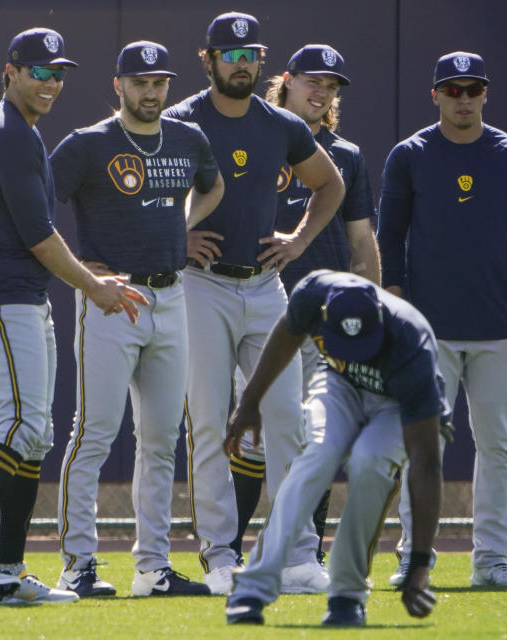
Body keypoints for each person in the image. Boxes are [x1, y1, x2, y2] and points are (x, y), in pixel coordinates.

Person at [0, 28, 146, 605]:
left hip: (20, 296)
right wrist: (93, 285)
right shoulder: (7, 132)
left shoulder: (21, 130)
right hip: (1, 295)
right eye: (40, 71)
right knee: (23, 425)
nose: (52, 81)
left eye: (59, 73)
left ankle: (7, 571)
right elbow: (37, 234)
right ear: (10, 72)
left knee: (36, 435)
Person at [164, 11, 345, 595]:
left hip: (266, 288)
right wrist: (175, 239)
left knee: (288, 421)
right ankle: (220, 556)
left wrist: (298, 242)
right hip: (203, 285)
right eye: (230, 53)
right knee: (212, 420)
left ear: (261, 61)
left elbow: (331, 185)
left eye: (250, 54)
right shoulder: (181, 119)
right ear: (208, 59)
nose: (241, 63)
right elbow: (146, 196)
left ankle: (297, 553)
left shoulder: (281, 123)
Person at [51, 41, 223, 598]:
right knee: (94, 434)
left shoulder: (187, 137)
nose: (150, 92)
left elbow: (213, 184)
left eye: (159, 82)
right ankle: (78, 564)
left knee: (161, 440)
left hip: (170, 295)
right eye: (140, 82)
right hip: (111, 297)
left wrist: (181, 228)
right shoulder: (87, 143)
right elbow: (34, 207)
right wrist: (79, 271)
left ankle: (153, 567)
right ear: (118, 84)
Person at [379, 51, 507, 588]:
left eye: (471, 88)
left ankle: (492, 562)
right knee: (423, 448)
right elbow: (389, 240)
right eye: (451, 90)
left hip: (499, 329)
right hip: (428, 333)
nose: (462, 98)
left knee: (498, 446)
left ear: (485, 93)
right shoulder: (408, 155)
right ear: (435, 95)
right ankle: (414, 558)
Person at [227, 44, 380, 567]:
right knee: (252, 435)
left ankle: (305, 553)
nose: (322, 92)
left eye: (332, 86)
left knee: (317, 438)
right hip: (258, 310)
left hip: (326, 318)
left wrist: (370, 317)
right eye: (313, 80)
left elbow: (363, 242)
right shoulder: (252, 137)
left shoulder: (348, 155)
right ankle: (228, 552)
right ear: (286, 80)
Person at [224, 270, 446, 626]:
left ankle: (347, 595)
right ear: (326, 317)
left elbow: (427, 463)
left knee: (371, 465)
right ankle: (253, 587)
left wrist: (419, 563)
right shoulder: (315, 294)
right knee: (315, 458)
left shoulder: (411, 343)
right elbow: (286, 332)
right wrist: (250, 401)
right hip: (340, 383)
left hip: (392, 402)